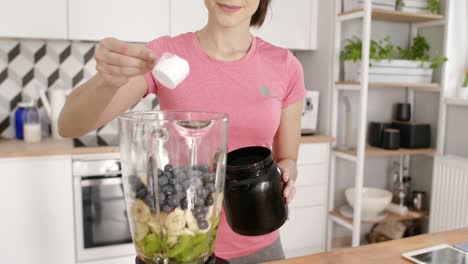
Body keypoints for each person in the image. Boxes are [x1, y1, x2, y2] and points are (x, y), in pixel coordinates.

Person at [59, 0, 306, 262]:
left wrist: (287, 172)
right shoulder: (166, 55)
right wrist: (107, 82)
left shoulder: (286, 66)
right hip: (183, 244)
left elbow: (287, 158)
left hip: (260, 244)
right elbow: (69, 125)